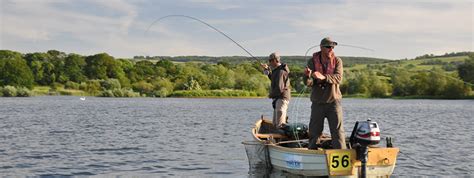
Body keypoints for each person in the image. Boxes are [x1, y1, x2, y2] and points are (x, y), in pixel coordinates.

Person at [303, 37, 347, 149]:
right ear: (321, 47)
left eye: (333, 47)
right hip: (318, 102)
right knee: (314, 132)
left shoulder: (338, 61)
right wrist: (307, 76)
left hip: (334, 101)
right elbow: (308, 83)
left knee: (338, 132)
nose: (331, 49)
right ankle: (312, 154)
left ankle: (341, 153)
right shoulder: (312, 61)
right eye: (328, 47)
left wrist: (323, 77)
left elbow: (338, 78)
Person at [261, 52, 291, 129]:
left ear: (275, 60)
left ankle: (280, 139)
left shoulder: (281, 71)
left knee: (279, 124)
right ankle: (276, 138)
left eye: (270, 61)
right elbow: (274, 79)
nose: (269, 63)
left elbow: (279, 87)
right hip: (278, 98)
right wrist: (267, 70)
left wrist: (270, 95)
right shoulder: (277, 70)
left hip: (281, 98)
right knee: (275, 123)